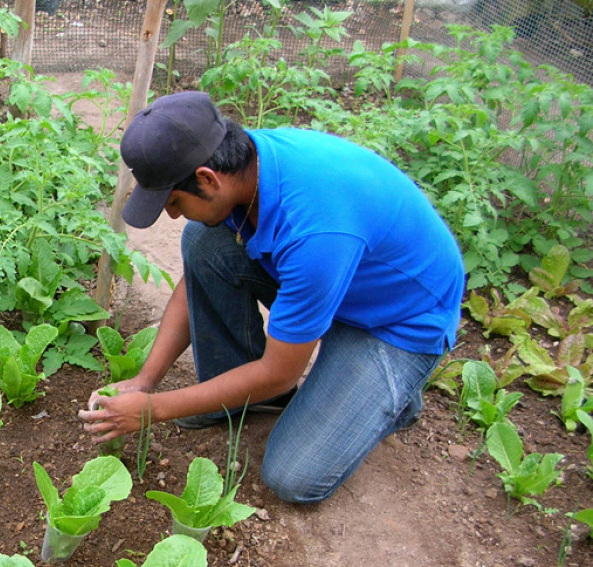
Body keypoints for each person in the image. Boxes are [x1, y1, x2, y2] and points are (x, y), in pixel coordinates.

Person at [78, 91, 464, 504]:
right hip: (339, 282)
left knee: (293, 476)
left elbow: (281, 372)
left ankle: (391, 395)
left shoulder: (314, 233)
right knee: (204, 240)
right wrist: (145, 382)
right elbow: (194, 280)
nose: (171, 215)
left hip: (394, 322)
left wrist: (154, 409)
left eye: (174, 201)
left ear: (207, 178)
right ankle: (244, 398)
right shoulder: (246, 165)